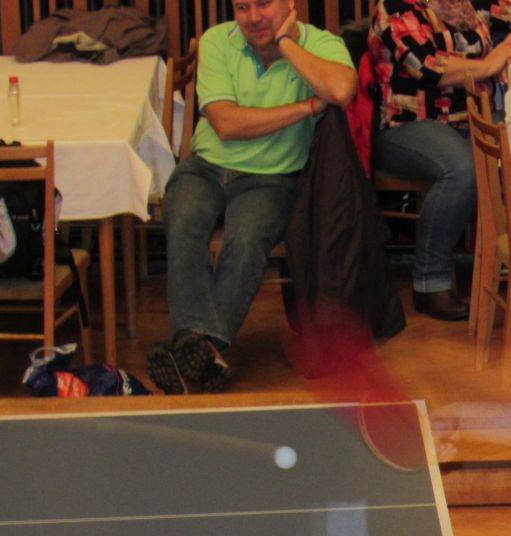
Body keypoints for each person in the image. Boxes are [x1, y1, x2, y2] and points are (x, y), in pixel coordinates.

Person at [147, 0, 356, 394]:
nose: (254, 17)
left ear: (289, 4)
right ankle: (205, 352)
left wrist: (287, 44)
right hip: (206, 167)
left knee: (246, 239)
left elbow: (342, 90)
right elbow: (226, 124)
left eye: (263, 4)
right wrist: (306, 106)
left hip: (272, 178)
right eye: (243, 7)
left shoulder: (322, 44)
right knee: (184, 219)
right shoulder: (216, 41)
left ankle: (195, 349)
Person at [368, 0, 511, 322]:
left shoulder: (473, 3)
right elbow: (431, 68)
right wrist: (490, 65)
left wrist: (507, 48)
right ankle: (430, 283)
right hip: (408, 124)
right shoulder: (396, 8)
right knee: (462, 168)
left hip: (471, 119)